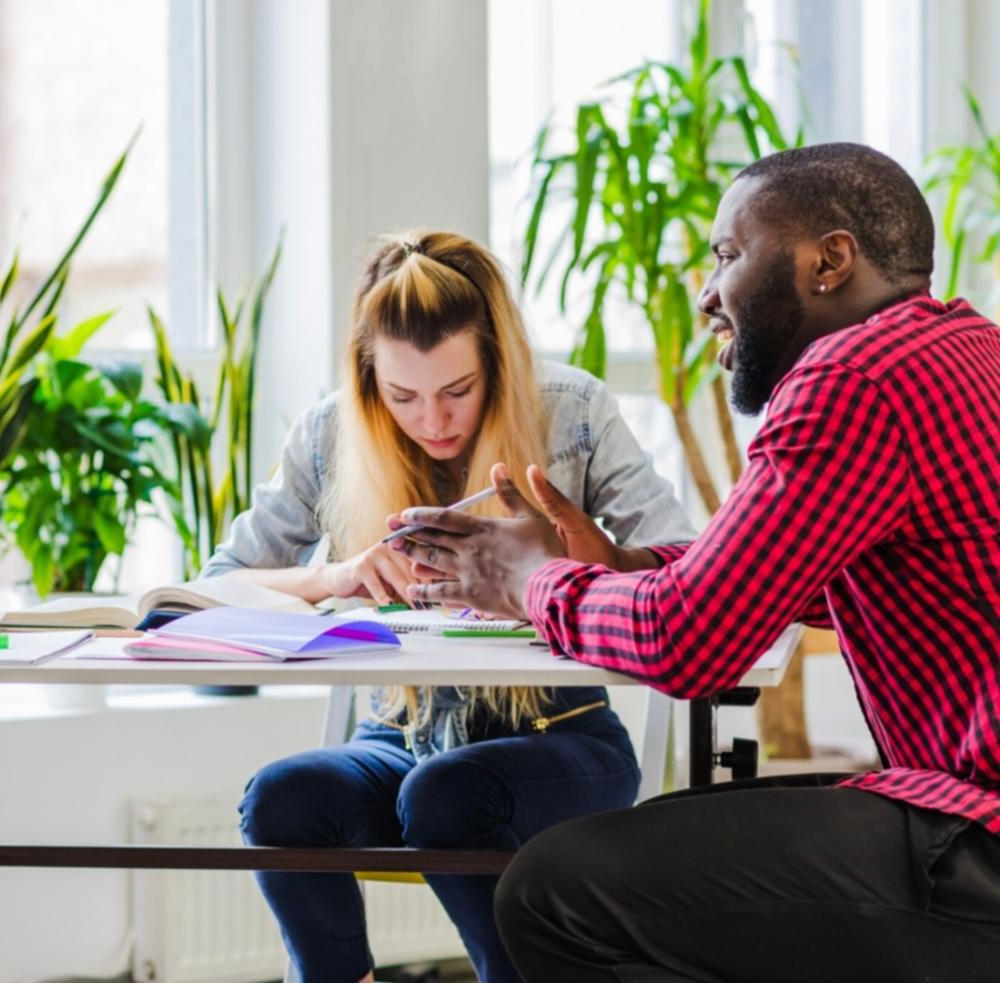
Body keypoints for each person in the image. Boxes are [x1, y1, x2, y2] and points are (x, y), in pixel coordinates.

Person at [392, 144, 1000, 981]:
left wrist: (532, 581)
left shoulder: (853, 378)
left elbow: (691, 638)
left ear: (828, 260)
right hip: (966, 822)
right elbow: (786, 580)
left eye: (728, 256)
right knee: (673, 843)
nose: (709, 293)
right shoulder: (965, 352)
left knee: (552, 887)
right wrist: (619, 562)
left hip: (977, 843)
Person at [204, 231, 695, 982]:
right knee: (283, 799)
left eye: (457, 390)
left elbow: (682, 562)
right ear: (371, 379)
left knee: (447, 793)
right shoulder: (331, 431)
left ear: (496, 361)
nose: (432, 420)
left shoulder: (573, 412)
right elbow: (219, 585)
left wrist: (558, 558)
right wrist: (336, 576)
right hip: (397, 738)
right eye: (402, 396)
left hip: (556, 738)